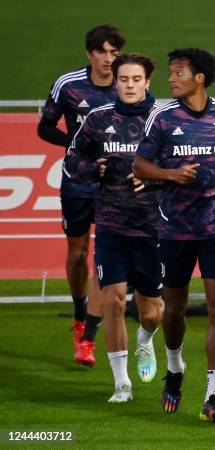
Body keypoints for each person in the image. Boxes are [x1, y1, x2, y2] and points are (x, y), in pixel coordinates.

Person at [133, 48, 215, 420]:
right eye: (170, 73)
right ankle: (174, 370)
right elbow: (140, 165)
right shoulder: (162, 117)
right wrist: (171, 175)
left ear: (199, 77)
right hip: (174, 229)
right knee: (174, 310)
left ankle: (214, 397)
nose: (171, 79)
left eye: (178, 72)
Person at [65, 53, 163, 402]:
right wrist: (95, 169)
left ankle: (145, 341)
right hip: (110, 226)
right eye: (124, 79)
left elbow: (186, 170)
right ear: (116, 82)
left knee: (152, 311)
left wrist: (155, 182)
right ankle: (122, 383)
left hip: (153, 229)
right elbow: (72, 160)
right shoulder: (97, 119)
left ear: (148, 82)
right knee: (114, 301)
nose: (130, 85)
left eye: (137, 79)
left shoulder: (163, 120)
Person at [37, 24, 125, 366]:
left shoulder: (126, 85)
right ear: (90, 53)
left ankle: (88, 337)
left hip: (114, 187)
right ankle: (78, 314)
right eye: (102, 52)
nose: (108, 59)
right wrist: (74, 147)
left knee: (104, 256)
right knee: (78, 253)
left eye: (113, 53)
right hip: (76, 183)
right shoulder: (69, 85)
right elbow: (45, 127)